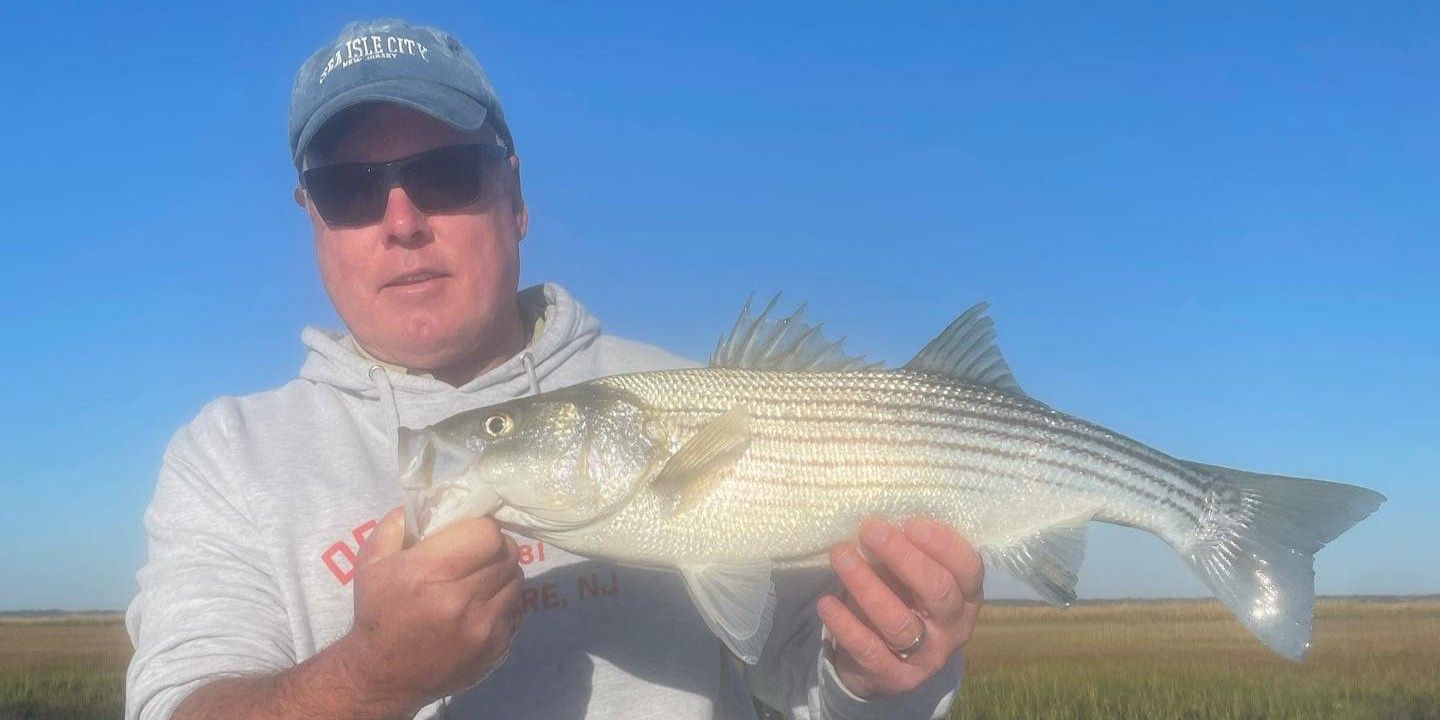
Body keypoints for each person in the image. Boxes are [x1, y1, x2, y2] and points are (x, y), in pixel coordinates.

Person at [124, 18, 983, 720]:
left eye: (445, 172)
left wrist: (878, 675)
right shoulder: (225, 455)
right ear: (311, 219)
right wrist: (370, 677)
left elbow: (806, 683)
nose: (401, 219)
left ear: (517, 196)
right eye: (349, 189)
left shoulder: (688, 393)